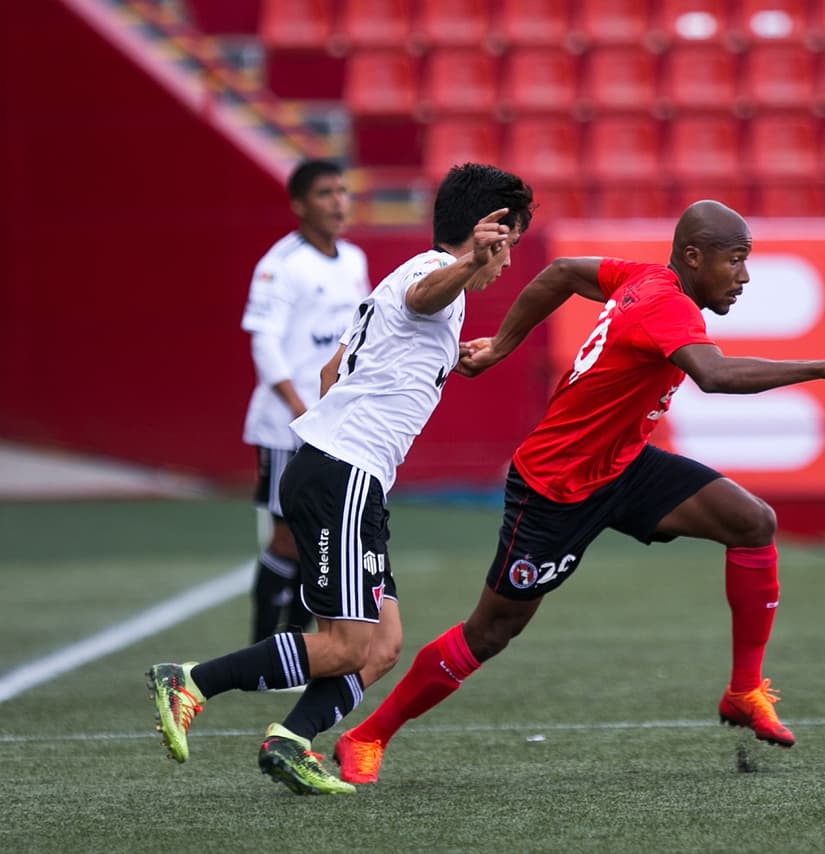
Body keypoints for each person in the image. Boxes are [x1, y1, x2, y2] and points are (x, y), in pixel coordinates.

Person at [329, 200, 825, 785]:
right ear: (693, 257)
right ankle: (366, 736)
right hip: (554, 487)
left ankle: (744, 690)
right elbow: (714, 377)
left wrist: (500, 346)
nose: (743, 276)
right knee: (490, 632)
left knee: (752, 523)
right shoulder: (668, 307)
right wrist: (820, 368)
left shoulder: (645, 278)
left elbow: (561, 273)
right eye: (735, 261)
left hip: (622, 465)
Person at [146, 163, 535, 795]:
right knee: (344, 646)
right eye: (506, 244)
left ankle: (292, 740)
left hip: (346, 476)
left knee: (383, 645)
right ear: (485, 231)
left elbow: (332, 371)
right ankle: (190, 681)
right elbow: (422, 296)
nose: (507, 262)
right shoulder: (431, 275)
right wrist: (468, 265)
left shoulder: (423, 285)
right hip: (344, 477)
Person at [241, 159, 370, 643]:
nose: (338, 201)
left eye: (342, 190)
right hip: (286, 425)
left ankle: (296, 644)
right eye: (324, 193)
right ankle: (260, 647)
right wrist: (301, 408)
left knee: (321, 534)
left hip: (332, 424)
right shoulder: (281, 266)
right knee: (287, 536)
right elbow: (264, 343)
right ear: (298, 204)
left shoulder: (353, 260)